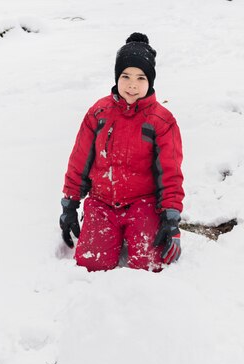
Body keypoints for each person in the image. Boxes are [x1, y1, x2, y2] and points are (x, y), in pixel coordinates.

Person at [59, 32, 184, 272]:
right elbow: (79, 161)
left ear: (151, 81)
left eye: (140, 77)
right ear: (117, 77)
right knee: (91, 264)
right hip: (102, 202)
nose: (132, 85)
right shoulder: (99, 113)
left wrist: (171, 217)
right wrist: (70, 204)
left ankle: (142, 230)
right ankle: (97, 224)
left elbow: (170, 172)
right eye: (125, 76)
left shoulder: (161, 121)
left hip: (143, 203)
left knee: (148, 266)